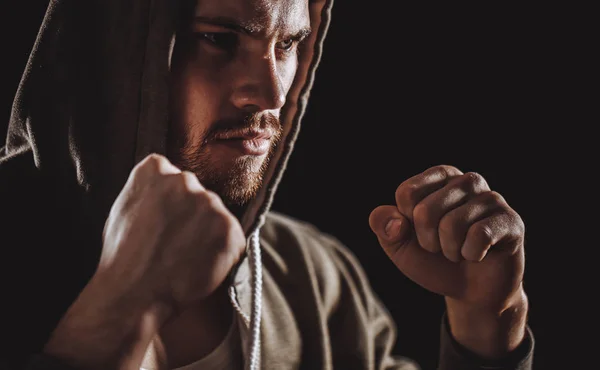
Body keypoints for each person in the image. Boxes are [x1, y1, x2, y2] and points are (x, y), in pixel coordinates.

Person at [0, 0, 534, 369]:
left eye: (288, 44)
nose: (270, 92)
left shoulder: (316, 282)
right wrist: (120, 308)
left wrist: (488, 324)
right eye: (219, 39)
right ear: (109, 48)